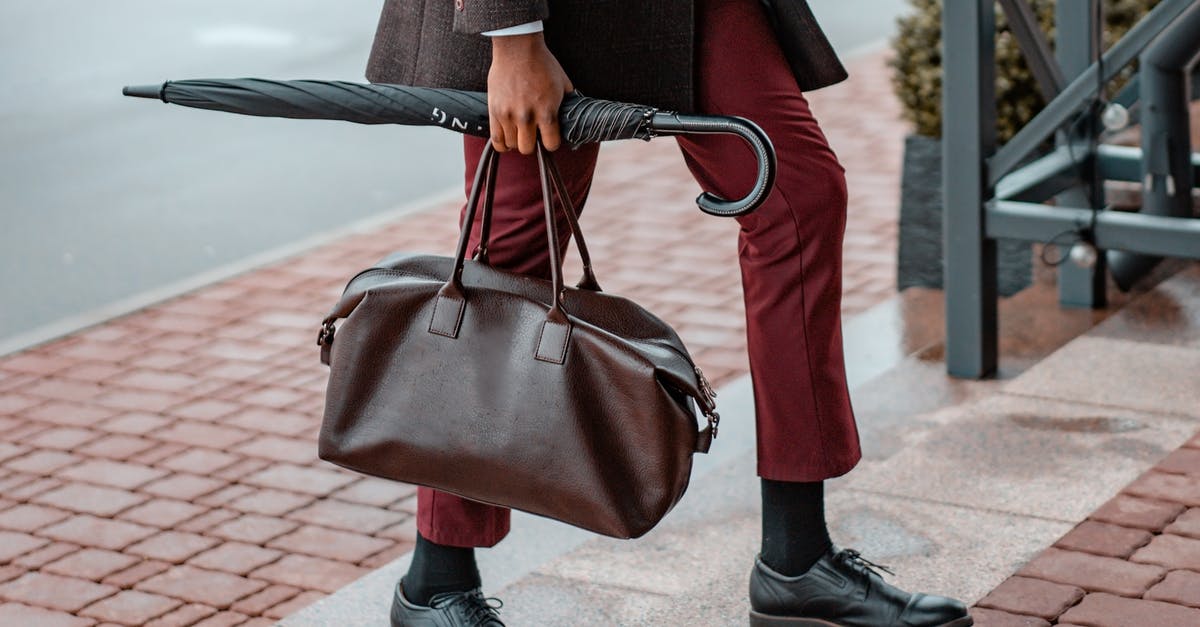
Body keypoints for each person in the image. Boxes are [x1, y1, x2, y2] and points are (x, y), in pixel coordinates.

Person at [366, 1, 973, 625]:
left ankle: (797, 558)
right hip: (538, 14)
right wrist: (514, 41)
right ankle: (435, 579)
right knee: (506, 263)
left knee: (798, 200)